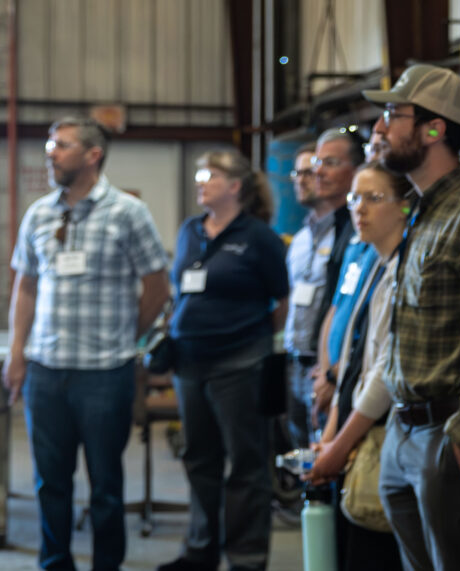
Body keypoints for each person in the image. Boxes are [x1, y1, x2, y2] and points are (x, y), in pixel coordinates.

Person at [363, 64, 460, 570]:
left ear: (434, 129)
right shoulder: (423, 210)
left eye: (393, 114)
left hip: (449, 432)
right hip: (403, 430)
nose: (379, 128)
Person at [2, 116, 169, 570]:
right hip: (46, 371)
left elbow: (157, 285)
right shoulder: (39, 213)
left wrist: (127, 336)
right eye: (50, 146)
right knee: (49, 482)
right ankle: (54, 562)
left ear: (93, 155)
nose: (50, 153)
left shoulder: (127, 213)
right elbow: (26, 288)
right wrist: (17, 355)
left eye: (61, 145)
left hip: (104, 374)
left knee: (106, 487)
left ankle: (106, 565)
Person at [157, 150, 289, 571]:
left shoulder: (259, 237)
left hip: (239, 364)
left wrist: (249, 339)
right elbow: (180, 290)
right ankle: (200, 551)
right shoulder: (190, 231)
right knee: (199, 459)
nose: (200, 182)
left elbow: (282, 302)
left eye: (208, 175)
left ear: (235, 186)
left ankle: (246, 558)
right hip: (189, 362)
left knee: (246, 466)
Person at [308, 161, 411, 571]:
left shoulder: (404, 267)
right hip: (352, 422)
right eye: (355, 198)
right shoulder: (373, 263)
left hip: (385, 431)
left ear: (405, 206)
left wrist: (342, 442)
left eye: (374, 198)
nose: (359, 209)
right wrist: (332, 432)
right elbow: (352, 357)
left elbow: (383, 371)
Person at [306, 128, 365, 428]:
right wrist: (324, 367)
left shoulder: (361, 228)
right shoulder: (337, 225)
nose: (319, 172)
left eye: (330, 163)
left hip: (348, 376)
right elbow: (336, 304)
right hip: (324, 368)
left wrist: (333, 374)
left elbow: (364, 315)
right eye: (318, 163)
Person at [283, 141, 336, 449]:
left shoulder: (348, 234)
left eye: (310, 171)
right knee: (300, 451)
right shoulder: (301, 239)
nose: (302, 180)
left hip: (323, 368)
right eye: (297, 173)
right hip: (295, 363)